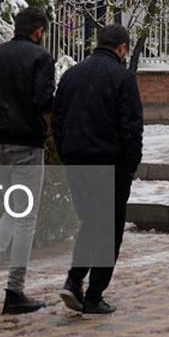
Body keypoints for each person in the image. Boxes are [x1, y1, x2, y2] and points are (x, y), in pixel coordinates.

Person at [0, 7, 55, 315]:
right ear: (38, 32)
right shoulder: (40, 58)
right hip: (27, 144)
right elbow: (42, 100)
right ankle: (15, 291)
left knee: (14, 209)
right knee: (26, 216)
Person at [52, 23, 143, 315]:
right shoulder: (123, 78)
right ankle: (92, 293)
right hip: (110, 162)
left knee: (91, 222)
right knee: (109, 228)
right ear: (122, 48)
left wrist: (66, 151)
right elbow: (131, 127)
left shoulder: (71, 75)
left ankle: (74, 280)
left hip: (77, 159)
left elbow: (58, 120)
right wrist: (130, 165)